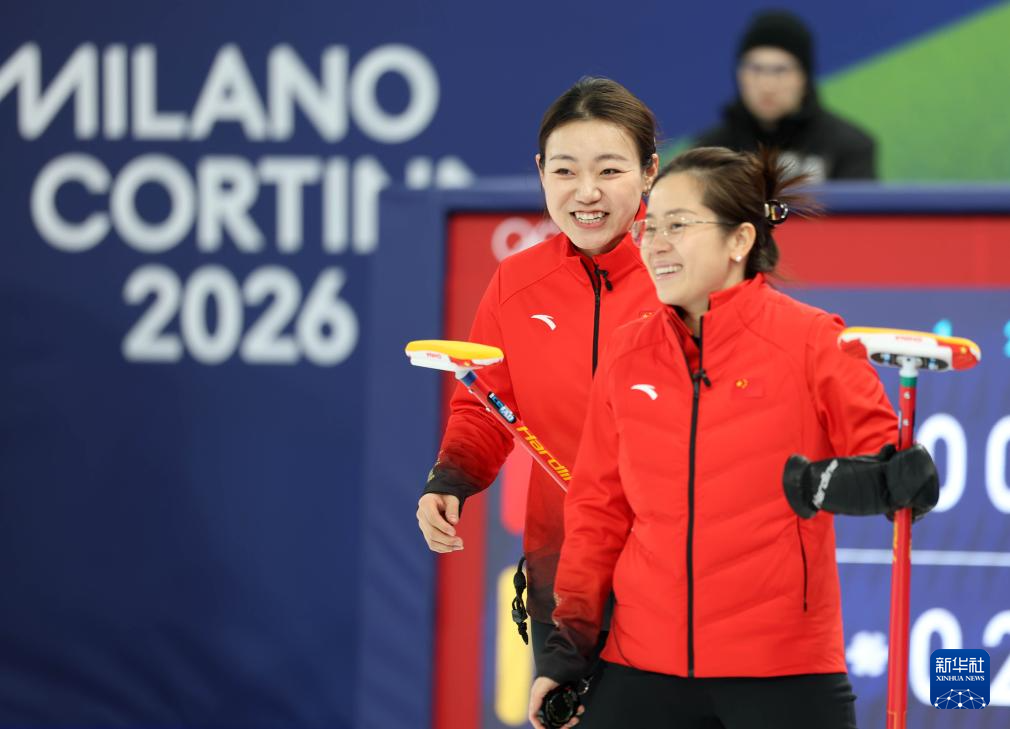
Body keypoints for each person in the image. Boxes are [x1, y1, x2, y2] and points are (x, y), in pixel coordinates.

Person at [529, 147, 938, 728]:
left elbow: (886, 466)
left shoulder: (811, 341)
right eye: (650, 226)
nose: (655, 244)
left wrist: (883, 480)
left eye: (678, 225)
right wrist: (568, 649)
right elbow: (598, 513)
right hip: (641, 664)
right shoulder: (627, 352)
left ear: (740, 240)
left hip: (782, 672)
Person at [415, 77, 660, 672]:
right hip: (564, 579)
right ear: (540, 172)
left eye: (610, 170)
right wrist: (449, 480)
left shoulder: (684, 274)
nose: (586, 192)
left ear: (650, 172)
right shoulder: (517, 281)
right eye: (565, 170)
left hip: (675, 579)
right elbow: (485, 405)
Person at [695, 10, 877, 181]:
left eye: (780, 70)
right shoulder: (710, 150)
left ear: (804, 78)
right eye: (756, 69)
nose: (767, 85)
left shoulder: (848, 147)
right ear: (739, 75)